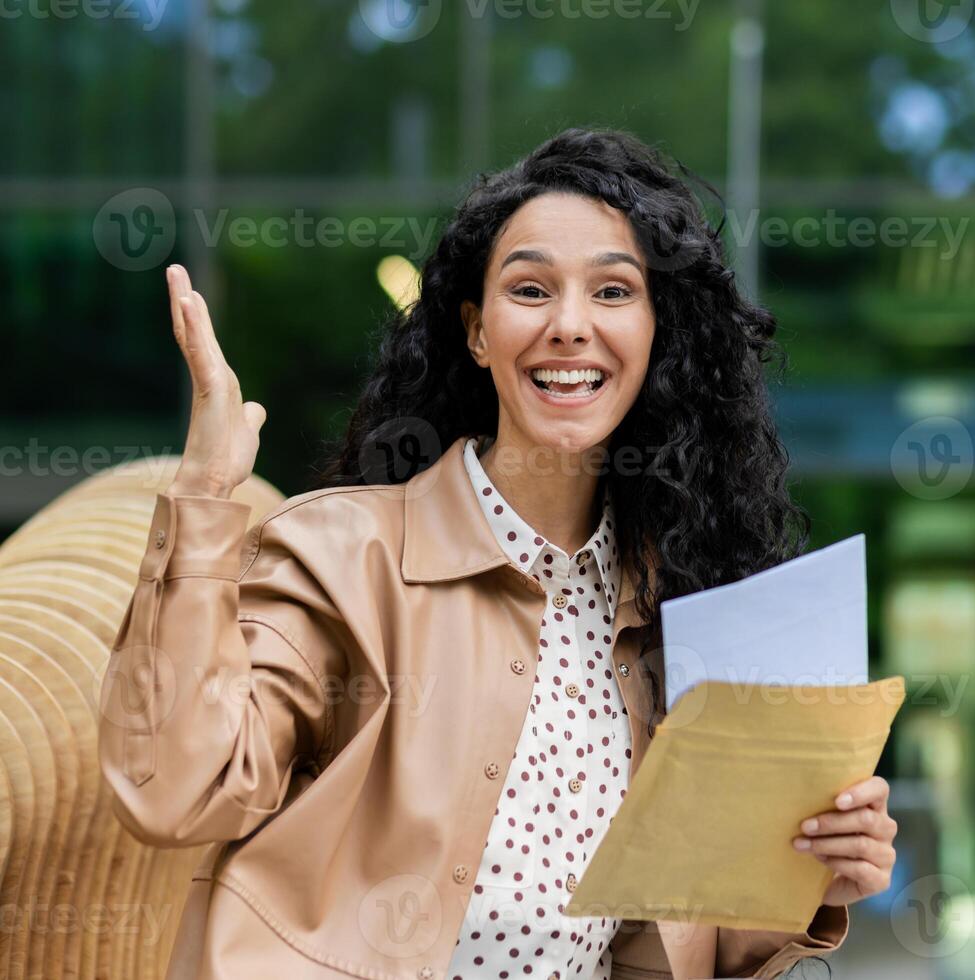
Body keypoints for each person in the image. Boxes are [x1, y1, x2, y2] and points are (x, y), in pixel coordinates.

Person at [98, 128, 897, 980]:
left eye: (614, 291)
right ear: (478, 333)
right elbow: (176, 786)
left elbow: (684, 944)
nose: (569, 325)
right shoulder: (344, 554)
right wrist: (202, 502)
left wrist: (814, 869)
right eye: (530, 288)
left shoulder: (673, 606)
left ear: (656, 336)